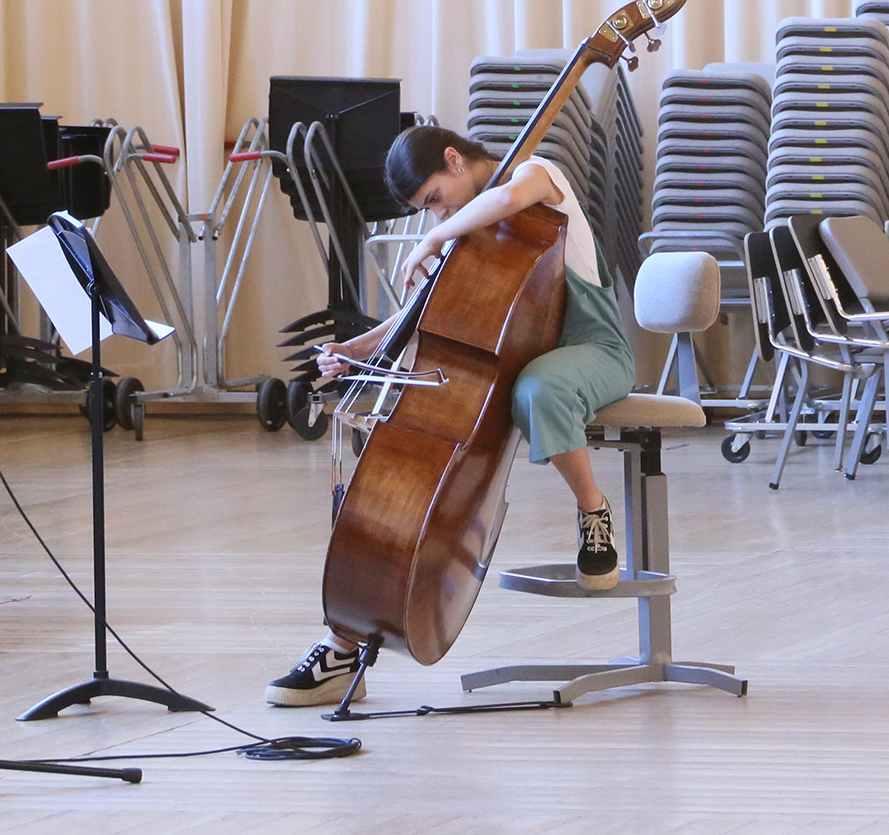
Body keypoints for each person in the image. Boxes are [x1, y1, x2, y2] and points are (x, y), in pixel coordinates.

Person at [266, 125, 634, 707]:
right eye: (428, 211)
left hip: (592, 353)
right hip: (507, 364)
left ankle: (594, 510)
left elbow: (509, 198)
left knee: (539, 391)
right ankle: (346, 644)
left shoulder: (537, 178)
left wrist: (431, 237)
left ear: (455, 159)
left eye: (435, 198)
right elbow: (421, 317)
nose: (438, 212)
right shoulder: (466, 230)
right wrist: (353, 352)